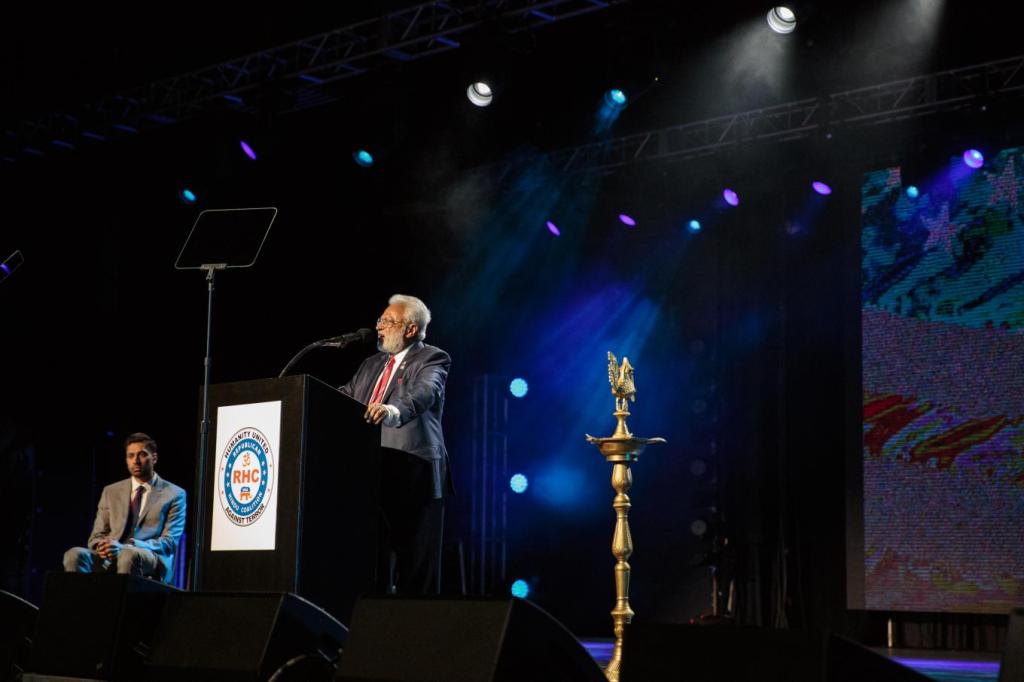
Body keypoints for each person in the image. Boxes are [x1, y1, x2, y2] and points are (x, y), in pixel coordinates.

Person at [340, 294, 451, 595]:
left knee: (415, 571)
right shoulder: (370, 365)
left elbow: (424, 392)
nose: (379, 327)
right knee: (372, 564)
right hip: (372, 475)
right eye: (380, 320)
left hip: (415, 473)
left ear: (411, 329)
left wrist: (392, 410)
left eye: (388, 322)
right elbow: (342, 398)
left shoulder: (431, 358)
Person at [63, 433, 187, 584]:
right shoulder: (111, 491)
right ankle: (79, 606)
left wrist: (128, 546)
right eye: (131, 456)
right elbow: (95, 537)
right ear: (126, 459)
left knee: (128, 554)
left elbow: (169, 543)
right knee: (74, 555)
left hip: (150, 556)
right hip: (111, 555)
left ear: (154, 458)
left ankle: (121, 606)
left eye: (142, 455)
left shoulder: (174, 494)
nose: (136, 461)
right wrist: (102, 546)